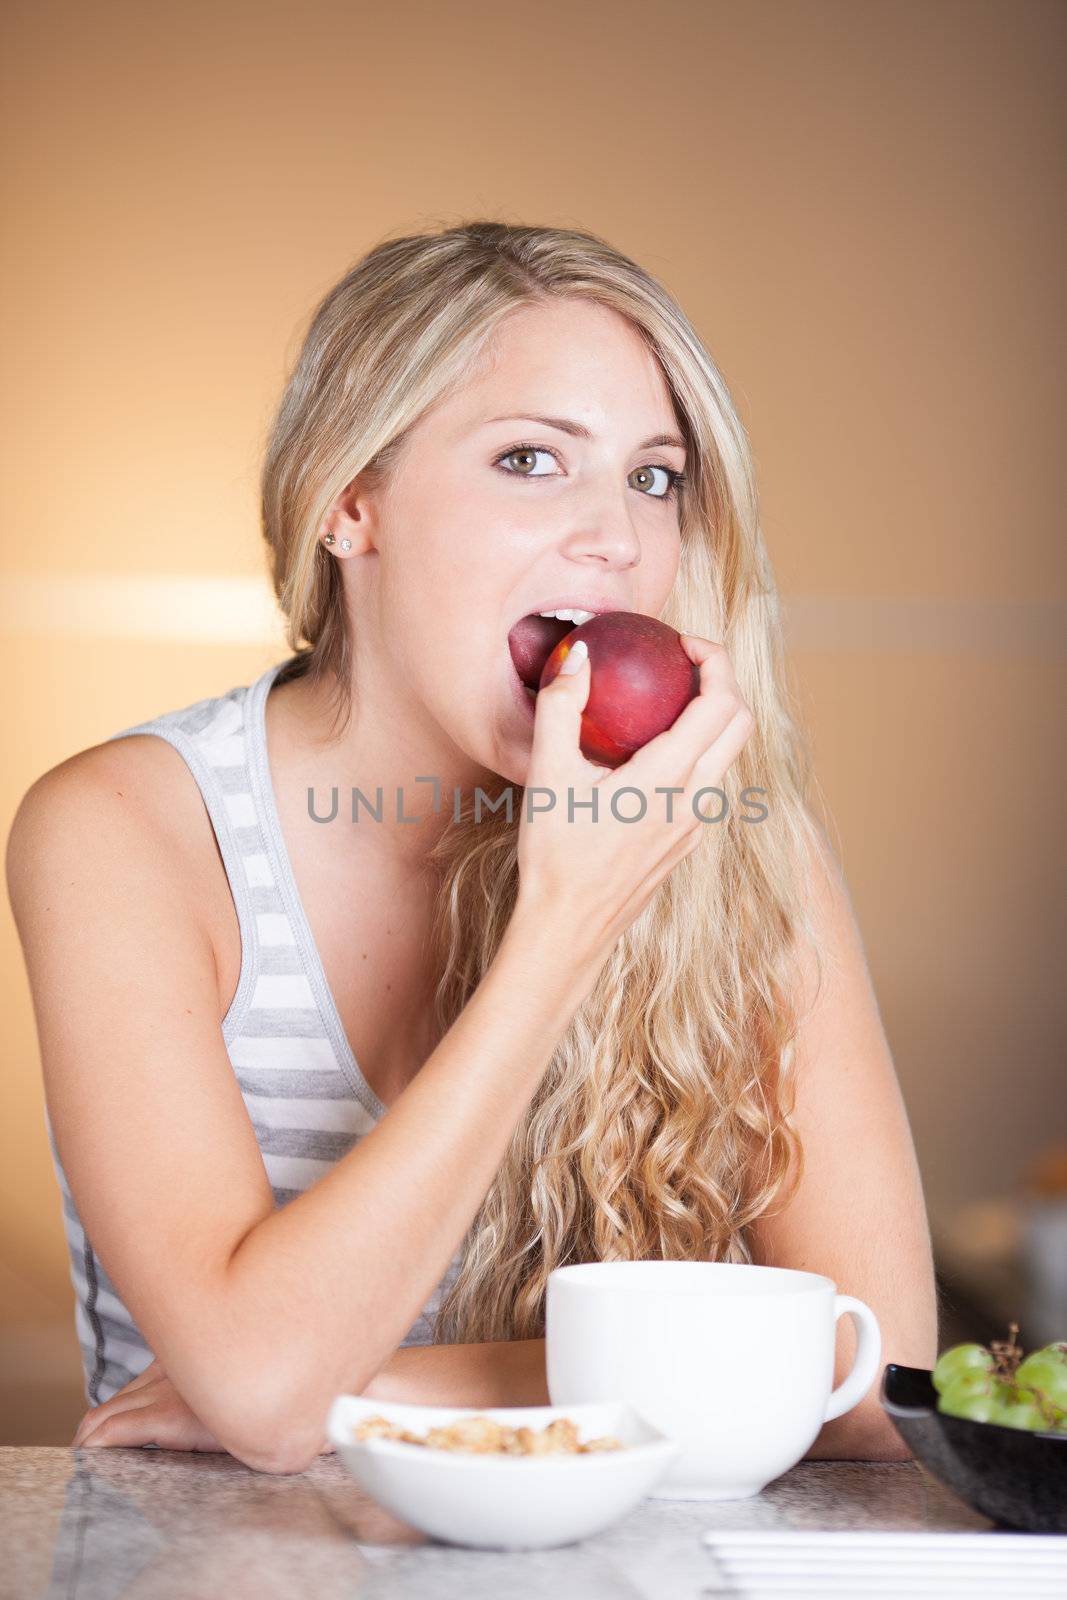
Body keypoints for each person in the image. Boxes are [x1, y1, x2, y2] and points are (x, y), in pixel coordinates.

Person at [6, 220, 937, 1474]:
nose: (614, 535)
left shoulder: (725, 839)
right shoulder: (127, 835)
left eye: (653, 477)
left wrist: (373, 1381)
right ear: (350, 501)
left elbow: (871, 1381)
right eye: (530, 458)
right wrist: (563, 927)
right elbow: (269, 1392)